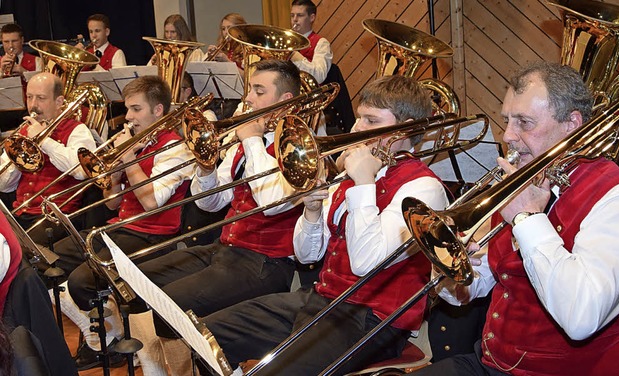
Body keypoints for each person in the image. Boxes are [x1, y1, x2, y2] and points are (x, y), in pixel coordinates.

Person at [196, 75, 448, 375]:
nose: (356, 130)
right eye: (358, 119)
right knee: (206, 335)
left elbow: (366, 263)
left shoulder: (423, 188)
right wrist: (312, 211)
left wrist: (363, 183)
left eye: (370, 121)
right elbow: (306, 256)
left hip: (374, 319)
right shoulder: (354, 175)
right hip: (321, 298)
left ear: (405, 129)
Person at [408, 61, 619, 375]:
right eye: (507, 120)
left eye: (524, 122)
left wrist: (528, 220)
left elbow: (582, 317)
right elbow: (480, 284)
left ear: (572, 124)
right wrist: (452, 269)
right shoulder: (527, 180)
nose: (508, 135)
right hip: (492, 361)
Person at [130, 59, 305, 375]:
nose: (247, 97)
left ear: (285, 101)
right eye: (249, 88)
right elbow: (212, 204)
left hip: (266, 263)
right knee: (138, 281)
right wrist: (206, 166)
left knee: (170, 304)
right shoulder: (243, 143)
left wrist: (251, 140)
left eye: (258, 90)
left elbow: (270, 203)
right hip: (226, 248)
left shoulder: (297, 149)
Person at [55, 75, 193, 370]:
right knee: (52, 255)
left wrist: (129, 159)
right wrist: (114, 176)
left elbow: (151, 202)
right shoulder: (141, 142)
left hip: (153, 235)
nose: (127, 117)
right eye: (127, 109)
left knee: (81, 282)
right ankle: (108, 331)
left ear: (157, 111)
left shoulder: (174, 147)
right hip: (121, 226)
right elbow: (112, 203)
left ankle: (114, 335)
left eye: (135, 109)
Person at [0, 72, 97, 245]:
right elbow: (5, 187)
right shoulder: (23, 132)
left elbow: (82, 170)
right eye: (29, 97)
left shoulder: (77, 130)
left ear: (59, 102)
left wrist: (45, 141)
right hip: (21, 213)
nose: (33, 105)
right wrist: (19, 156)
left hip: (57, 218)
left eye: (41, 98)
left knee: (19, 252)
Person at [290, 0, 332, 83]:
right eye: (292, 15)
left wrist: (293, 54)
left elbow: (319, 76)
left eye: (300, 15)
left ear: (312, 18)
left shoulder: (321, 43)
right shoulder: (288, 41)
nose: (294, 19)